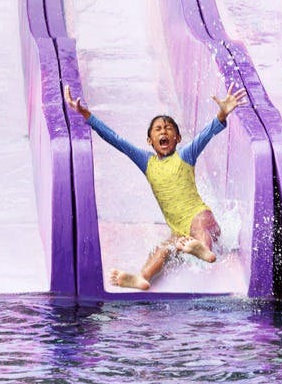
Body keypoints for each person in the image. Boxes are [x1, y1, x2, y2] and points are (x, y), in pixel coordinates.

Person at [64, 83, 247, 291]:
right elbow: (115, 140)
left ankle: (204, 250)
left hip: (201, 217)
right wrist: (86, 114)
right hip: (179, 230)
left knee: (199, 227)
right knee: (162, 250)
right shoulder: (147, 162)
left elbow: (205, 135)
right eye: (158, 129)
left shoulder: (185, 155)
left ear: (177, 138)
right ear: (150, 140)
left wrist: (222, 114)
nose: (164, 131)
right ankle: (142, 278)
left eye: (169, 128)